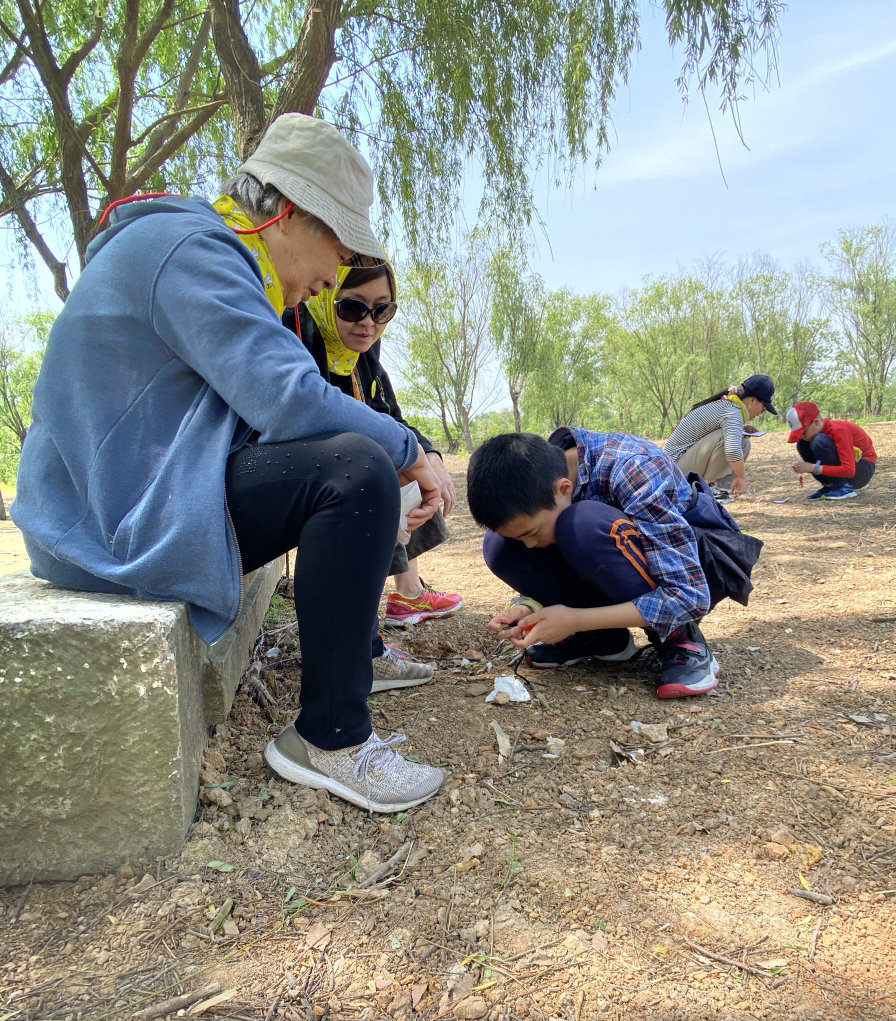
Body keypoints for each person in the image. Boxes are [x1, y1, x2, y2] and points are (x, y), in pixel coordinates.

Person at [12, 113, 446, 814]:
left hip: (128, 503)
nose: (333, 276)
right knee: (356, 469)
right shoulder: (192, 250)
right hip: (107, 526)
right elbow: (288, 399)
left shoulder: (213, 256)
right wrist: (411, 451)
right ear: (289, 211)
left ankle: (355, 671)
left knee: (353, 468)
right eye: (338, 248)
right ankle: (331, 737)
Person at [466, 430, 762, 699]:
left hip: (699, 563)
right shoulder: (541, 473)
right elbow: (562, 555)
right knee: (499, 546)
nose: (530, 545)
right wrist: (530, 605)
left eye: (531, 533)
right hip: (628, 561)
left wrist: (575, 620)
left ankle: (681, 640)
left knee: (581, 524)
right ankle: (602, 639)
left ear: (564, 489)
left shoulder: (632, 469)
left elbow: (688, 596)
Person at [282, 264, 463, 626]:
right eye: (353, 307)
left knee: (404, 463)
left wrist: (429, 455)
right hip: (292, 468)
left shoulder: (362, 354)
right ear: (325, 296)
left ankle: (408, 592)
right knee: (379, 467)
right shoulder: (297, 334)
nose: (368, 323)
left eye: (383, 310)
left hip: (340, 464)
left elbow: (389, 415)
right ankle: (359, 627)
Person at [664, 374, 778, 499]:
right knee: (728, 438)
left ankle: (711, 487)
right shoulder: (733, 411)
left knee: (744, 442)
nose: (762, 412)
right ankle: (707, 487)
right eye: (764, 408)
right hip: (673, 470)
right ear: (752, 400)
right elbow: (732, 450)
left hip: (677, 465)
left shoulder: (729, 406)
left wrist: (741, 429)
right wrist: (741, 477)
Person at [786, 402, 878, 500]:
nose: (802, 437)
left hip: (862, 469)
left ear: (816, 422)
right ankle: (830, 485)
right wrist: (805, 467)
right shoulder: (818, 434)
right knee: (802, 444)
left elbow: (849, 470)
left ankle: (844, 487)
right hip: (851, 468)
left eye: (803, 433)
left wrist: (814, 468)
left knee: (818, 441)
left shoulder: (839, 430)